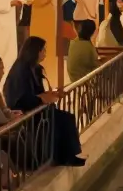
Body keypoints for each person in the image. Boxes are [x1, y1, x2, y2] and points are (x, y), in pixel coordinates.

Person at [5, 36, 85, 167]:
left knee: (65, 118)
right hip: (26, 112)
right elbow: (22, 97)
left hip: (37, 108)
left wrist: (52, 94)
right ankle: (65, 156)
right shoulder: (21, 71)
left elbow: (38, 92)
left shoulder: (34, 68)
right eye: (43, 50)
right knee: (63, 119)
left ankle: (68, 155)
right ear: (36, 51)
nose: (45, 53)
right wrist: (42, 98)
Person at [29, 0, 60, 77]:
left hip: (47, 17)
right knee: (37, 41)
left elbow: (43, 0)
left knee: (47, 41)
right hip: (37, 17)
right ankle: (37, 65)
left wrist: (32, 1)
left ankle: (49, 66)